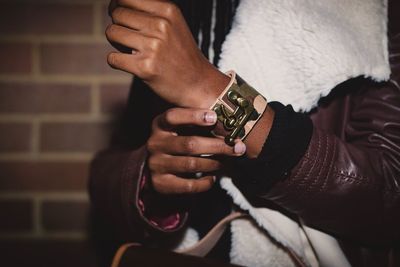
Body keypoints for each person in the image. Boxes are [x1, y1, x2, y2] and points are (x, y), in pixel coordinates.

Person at [89, 0, 400, 266]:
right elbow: (108, 166)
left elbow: (390, 195)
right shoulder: (189, 11)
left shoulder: (374, 10)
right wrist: (149, 177)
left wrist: (210, 88)